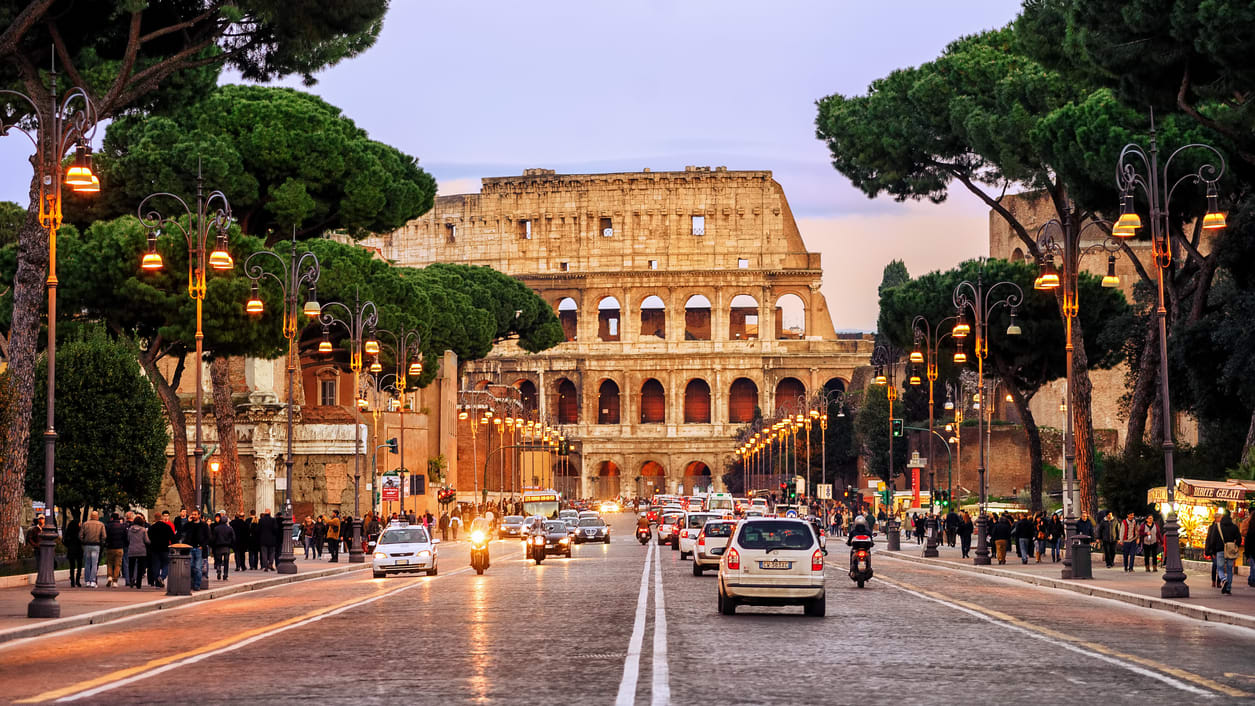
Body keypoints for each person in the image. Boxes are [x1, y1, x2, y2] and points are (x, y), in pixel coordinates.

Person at [1204, 512, 1242, 594]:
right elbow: (1239, 539)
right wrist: (1236, 546)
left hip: (1219, 550)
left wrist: (1213, 551)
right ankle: (1228, 588)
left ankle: (1224, 580)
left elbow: (1213, 540)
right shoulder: (1234, 527)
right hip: (1230, 551)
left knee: (1220, 568)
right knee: (1229, 569)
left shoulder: (1217, 526)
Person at [146, 511, 175, 588]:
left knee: (156, 565)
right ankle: (162, 577)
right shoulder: (167, 527)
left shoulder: (152, 528)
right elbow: (172, 537)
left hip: (154, 548)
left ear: (155, 519)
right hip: (165, 548)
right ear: (161, 518)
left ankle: (157, 580)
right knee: (167, 564)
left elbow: (148, 538)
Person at [184, 510, 211, 590]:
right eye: (192, 514)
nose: (193, 516)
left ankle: (197, 585)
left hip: (199, 548)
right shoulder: (190, 524)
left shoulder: (204, 525)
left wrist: (202, 546)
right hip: (191, 547)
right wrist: (188, 522)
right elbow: (183, 530)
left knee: (198, 567)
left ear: (199, 515)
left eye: (195, 514)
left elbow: (208, 537)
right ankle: (192, 582)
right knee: (191, 566)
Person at [79, 510, 107, 588]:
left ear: (90, 516)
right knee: (94, 564)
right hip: (96, 545)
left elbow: (80, 535)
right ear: (97, 517)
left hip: (87, 545)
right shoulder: (101, 524)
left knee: (87, 563)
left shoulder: (85, 524)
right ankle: (92, 581)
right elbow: (104, 536)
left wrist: (84, 541)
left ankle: (87, 581)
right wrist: (101, 542)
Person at [126, 515, 150, 589]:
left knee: (131, 566)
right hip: (141, 550)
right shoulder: (143, 530)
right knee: (140, 567)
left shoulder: (130, 529)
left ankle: (131, 579)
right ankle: (138, 583)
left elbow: (128, 539)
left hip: (132, 549)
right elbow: (146, 540)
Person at [105, 512, 127, 588]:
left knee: (110, 563)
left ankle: (109, 577)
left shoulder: (108, 526)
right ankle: (115, 581)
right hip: (119, 547)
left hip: (110, 547)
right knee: (118, 565)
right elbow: (125, 537)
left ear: (111, 518)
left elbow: (105, 536)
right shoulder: (122, 527)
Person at [211, 513, 236, 581]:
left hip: (218, 546)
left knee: (218, 560)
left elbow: (213, 538)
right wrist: (232, 544)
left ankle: (219, 569)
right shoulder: (230, 529)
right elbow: (233, 538)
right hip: (226, 546)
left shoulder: (216, 529)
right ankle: (225, 574)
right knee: (226, 561)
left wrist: (213, 545)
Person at [64, 514, 83, 588]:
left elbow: (65, 541)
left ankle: (72, 581)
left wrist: (68, 546)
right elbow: (82, 539)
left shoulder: (68, 532)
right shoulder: (79, 532)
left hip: (71, 550)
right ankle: (78, 581)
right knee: (79, 566)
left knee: (72, 567)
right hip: (78, 550)